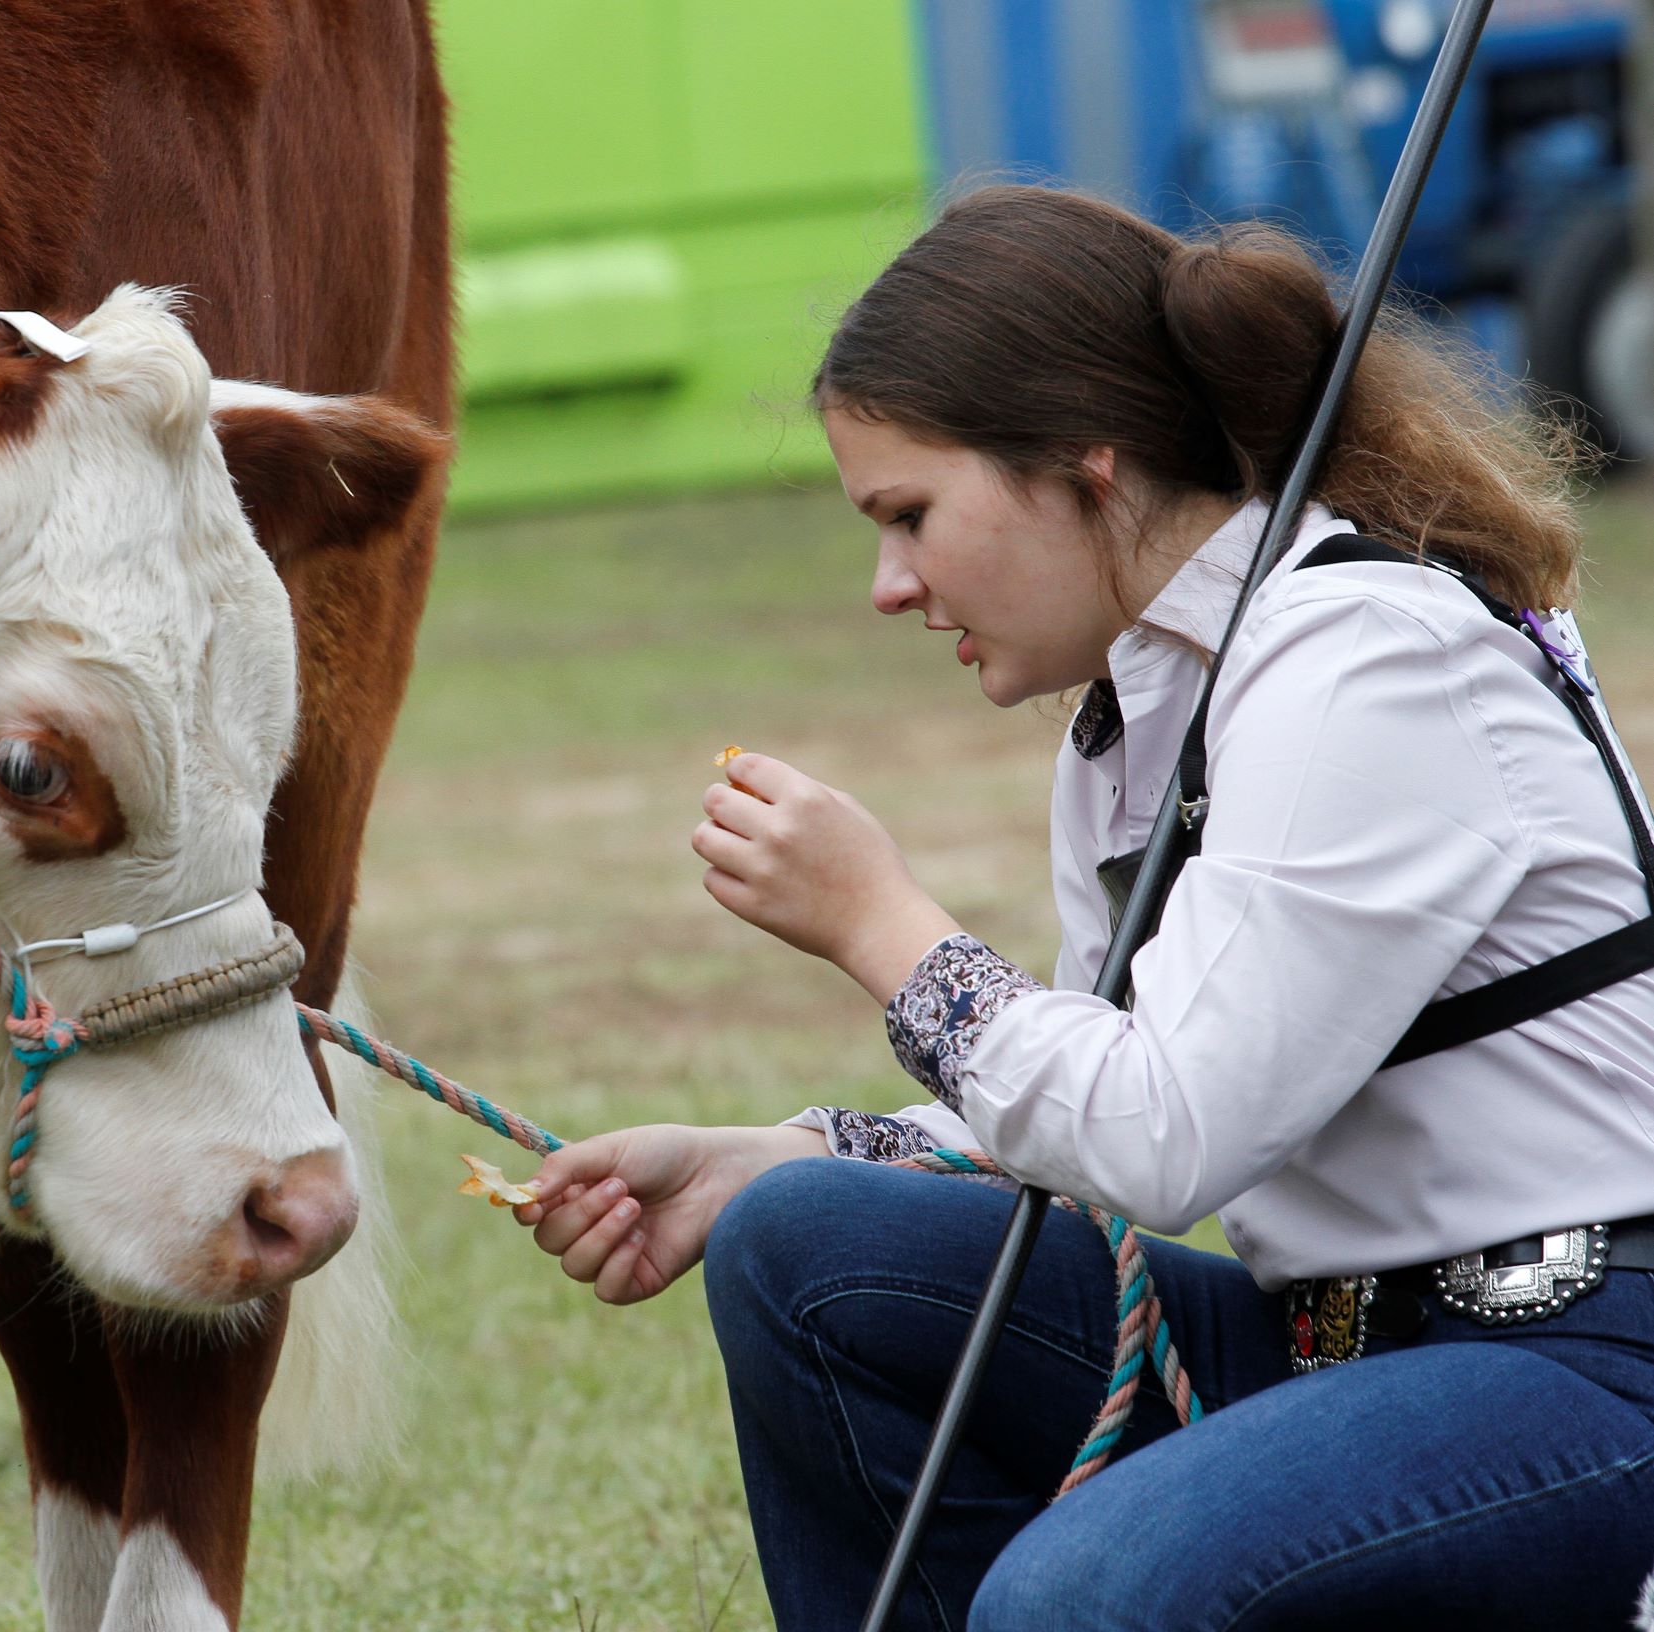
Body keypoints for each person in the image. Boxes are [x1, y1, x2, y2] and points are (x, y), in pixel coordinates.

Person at [511, 185, 1654, 1630]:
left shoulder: (1364, 661)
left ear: (1081, 465)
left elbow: (1162, 1134)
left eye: (910, 514)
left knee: (1075, 1595)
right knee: (803, 1251)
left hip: (1595, 1369)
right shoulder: (1140, 722)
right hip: (1351, 1354)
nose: (887, 584)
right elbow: (1096, 1086)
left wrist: (881, 925)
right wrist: (781, 1153)